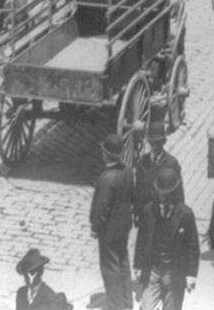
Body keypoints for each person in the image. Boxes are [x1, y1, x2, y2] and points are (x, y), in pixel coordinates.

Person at [133, 166, 199, 310]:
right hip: (153, 269)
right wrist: (138, 265)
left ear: (174, 192)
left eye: (167, 194)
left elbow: (193, 246)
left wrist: (191, 274)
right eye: (160, 193)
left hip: (174, 271)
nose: (163, 197)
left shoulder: (185, 214)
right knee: (146, 307)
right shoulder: (149, 210)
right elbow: (141, 239)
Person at [91, 132, 134, 310]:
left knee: (110, 269)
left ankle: (116, 305)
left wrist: (95, 227)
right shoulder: (128, 171)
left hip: (109, 230)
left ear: (106, 154)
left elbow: (101, 207)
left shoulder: (107, 178)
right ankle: (126, 303)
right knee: (123, 263)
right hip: (123, 227)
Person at [134, 119, 184, 224]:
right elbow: (138, 191)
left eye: (158, 143)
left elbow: (179, 195)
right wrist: (136, 213)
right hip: (146, 217)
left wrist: (178, 219)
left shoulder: (172, 164)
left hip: (164, 218)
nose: (155, 146)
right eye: (153, 142)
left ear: (163, 142)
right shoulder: (142, 163)